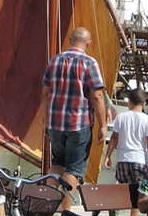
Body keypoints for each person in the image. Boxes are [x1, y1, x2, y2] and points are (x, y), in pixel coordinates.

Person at [41, 26, 107, 190]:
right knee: (73, 170)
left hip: (55, 124)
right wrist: (103, 125)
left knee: (57, 164)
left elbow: (45, 94)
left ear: (70, 41)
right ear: (89, 44)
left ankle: (50, 209)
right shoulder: (89, 63)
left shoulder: (54, 61)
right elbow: (97, 95)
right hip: (79, 124)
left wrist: (46, 121)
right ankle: (65, 212)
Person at [103, 90, 148, 216]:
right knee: (139, 190)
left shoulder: (121, 117)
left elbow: (114, 138)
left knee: (122, 186)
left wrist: (108, 155)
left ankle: (115, 206)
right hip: (139, 159)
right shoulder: (147, 120)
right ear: (144, 103)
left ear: (129, 102)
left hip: (122, 159)